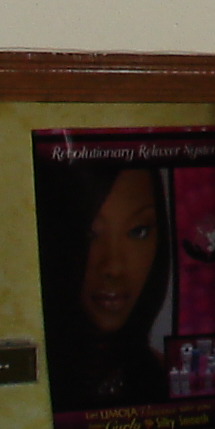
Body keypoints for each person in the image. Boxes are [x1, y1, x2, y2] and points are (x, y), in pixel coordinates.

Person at [42, 161, 173, 414]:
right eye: (88, 234)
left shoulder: (161, 374)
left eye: (138, 231)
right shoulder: (34, 377)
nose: (113, 267)